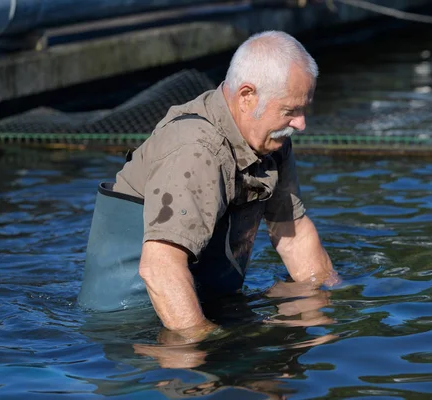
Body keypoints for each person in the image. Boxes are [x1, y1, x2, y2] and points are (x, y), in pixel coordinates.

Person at [78, 30, 339, 342]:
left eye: (303, 108)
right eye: (290, 111)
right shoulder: (196, 149)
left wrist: (332, 307)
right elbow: (160, 268)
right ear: (247, 97)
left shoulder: (272, 140)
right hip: (132, 326)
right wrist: (212, 342)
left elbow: (293, 234)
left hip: (209, 303)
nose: (301, 123)